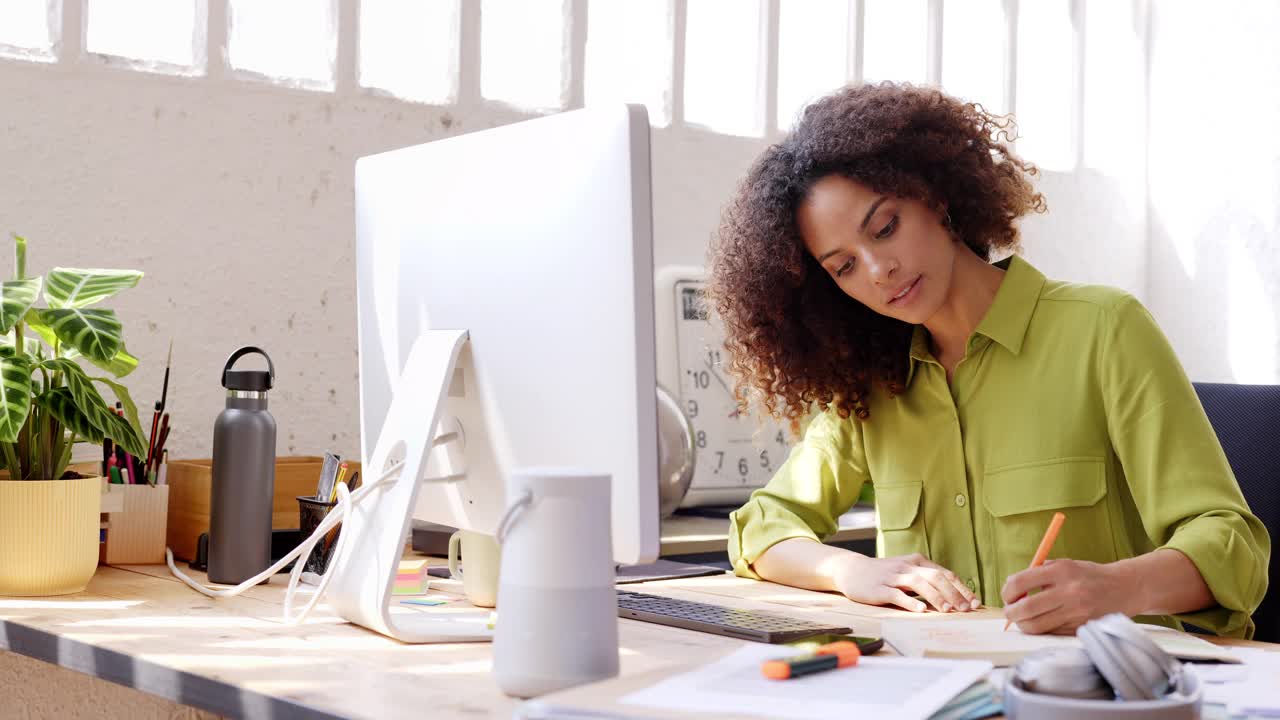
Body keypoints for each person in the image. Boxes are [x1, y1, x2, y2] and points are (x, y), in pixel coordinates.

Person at [711, 82, 1270, 637]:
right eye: (844, 267)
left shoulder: (1103, 330)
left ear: (935, 196)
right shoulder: (872, 387)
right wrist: (849, 569)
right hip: (938, 689)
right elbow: (761, 528)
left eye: (885, 228)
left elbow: (1231, 546)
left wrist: (1116, 587)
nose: (878, 270)